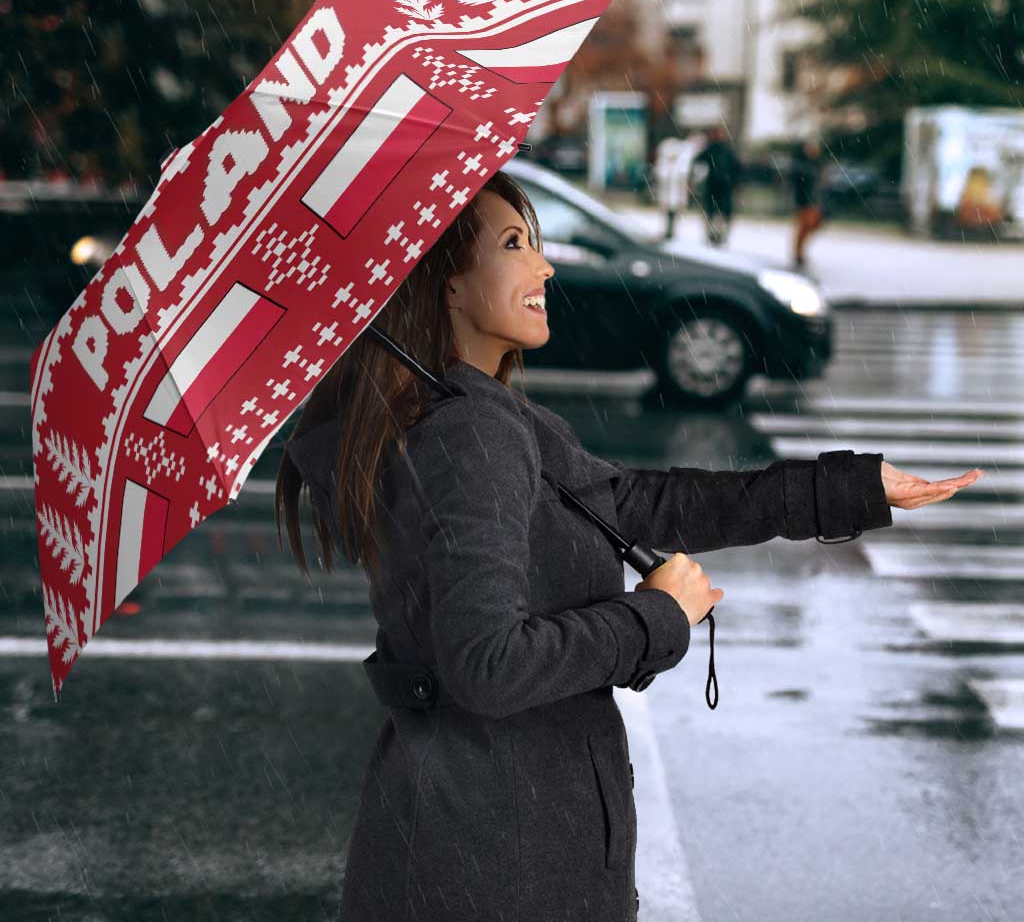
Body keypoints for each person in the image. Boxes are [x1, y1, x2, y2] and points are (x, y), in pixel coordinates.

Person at [276, 169, 981, 922]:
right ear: (447, 283)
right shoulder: (471, 434)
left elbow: (640, 504)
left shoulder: (470, 417)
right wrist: (655, 617)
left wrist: (849, 489)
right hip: (500, 861)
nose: (544, 267)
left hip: (473, 839)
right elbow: (488, 665)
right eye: (514, 245)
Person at [692, 124, 742, 247]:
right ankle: (713, 235)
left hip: (722, 187)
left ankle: (719, 235)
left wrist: (735, 182)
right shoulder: (714, 149)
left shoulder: (724, 150)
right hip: (716, 186)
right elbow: (698, 161)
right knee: (714, 212)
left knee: (719, 213)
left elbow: (736, 168)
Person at [790, 137, 826, 268]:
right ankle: (798, 253)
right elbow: (799, 184)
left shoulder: (816, 164)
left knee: (812, 225)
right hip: (805, 201)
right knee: (804, 227)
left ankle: (799, 252)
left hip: (814, 201)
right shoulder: (802, 165)